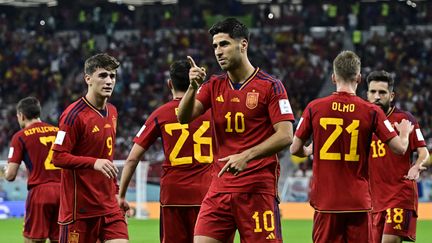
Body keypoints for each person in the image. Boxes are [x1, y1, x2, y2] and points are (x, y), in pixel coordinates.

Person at [177, 17, 295, 243]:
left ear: (243, 45)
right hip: (220, 187)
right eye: (215, 46)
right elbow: (183, 117)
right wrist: (192, 88)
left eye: (224, 44)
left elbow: (285, 135)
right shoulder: (213, 85)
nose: (218, 52)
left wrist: (247, 156)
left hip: (257, 189)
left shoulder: (270, 86)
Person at [290, 50, 415, 243]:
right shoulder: (372, 111)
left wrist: (308, 150)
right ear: (358, 77)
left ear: (333, 77)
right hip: (358, 202)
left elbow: (294, 149)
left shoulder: (314, 107)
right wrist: (405, 133)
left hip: (326, 203)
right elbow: (399, 149)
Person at [118, 60, 214, 243]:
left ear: (170, 83)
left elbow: (132, 159)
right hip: (207, 193)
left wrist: (122, 195)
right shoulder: (212, 111)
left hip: (173, 194)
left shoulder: (160, 114)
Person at [52, 53, 128, 243]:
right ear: (88, 79)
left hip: (109, 206)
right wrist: (94, 163)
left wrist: (117, 192)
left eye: (113, 76)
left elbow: (107, 157)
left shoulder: (112, 111)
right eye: (103, 75)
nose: (109, 81)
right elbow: (58, 157)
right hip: (80, 211)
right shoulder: (73, 116)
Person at [366, 70, 429, 243]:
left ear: (391, 95)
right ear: (367, 94)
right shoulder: (363, 122)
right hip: (373, 201)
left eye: (382, 92)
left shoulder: (405, 120)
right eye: (373, 92)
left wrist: (416, 166)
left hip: (400, 195)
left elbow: (424, 152)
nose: (377, 96)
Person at [5, 97, 61, 243]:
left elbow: (10, 175)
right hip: (64, 192)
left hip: (40, 191)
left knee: (34, 239)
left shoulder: (20, 137)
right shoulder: (59, 132)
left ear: (21, 116)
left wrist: (6, 170)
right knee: (60, 239)